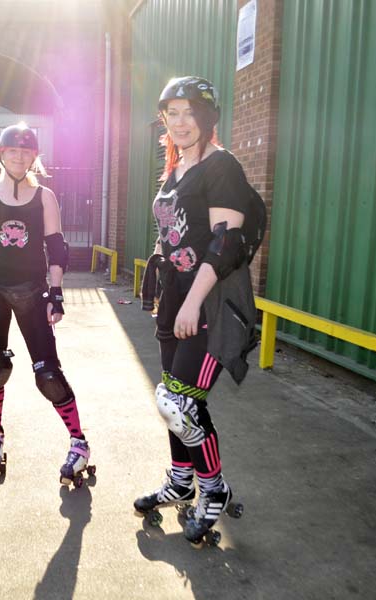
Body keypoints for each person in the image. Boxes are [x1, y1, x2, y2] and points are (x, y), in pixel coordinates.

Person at [133, 76, 256, 543]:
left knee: (181, 403)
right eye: (172, 113)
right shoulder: (175, 168)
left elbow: (225, 243)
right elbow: (174, 235)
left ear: (207, 118)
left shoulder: (221, 166)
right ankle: (181, 483)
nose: (181, 122)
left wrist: (191, 302)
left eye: (190, 113)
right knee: (176, 406)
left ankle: (214, 489)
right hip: (176, 301)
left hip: (213, 304)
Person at [0, 123, 92, 487]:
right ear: (0, 154)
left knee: (48, 373)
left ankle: (79, 443)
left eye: (26, 151)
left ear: (34, 157)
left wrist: (57, 292)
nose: (19, 156)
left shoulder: (44, 196)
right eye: (12, 151)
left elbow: (56, 247)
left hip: (33, 291)